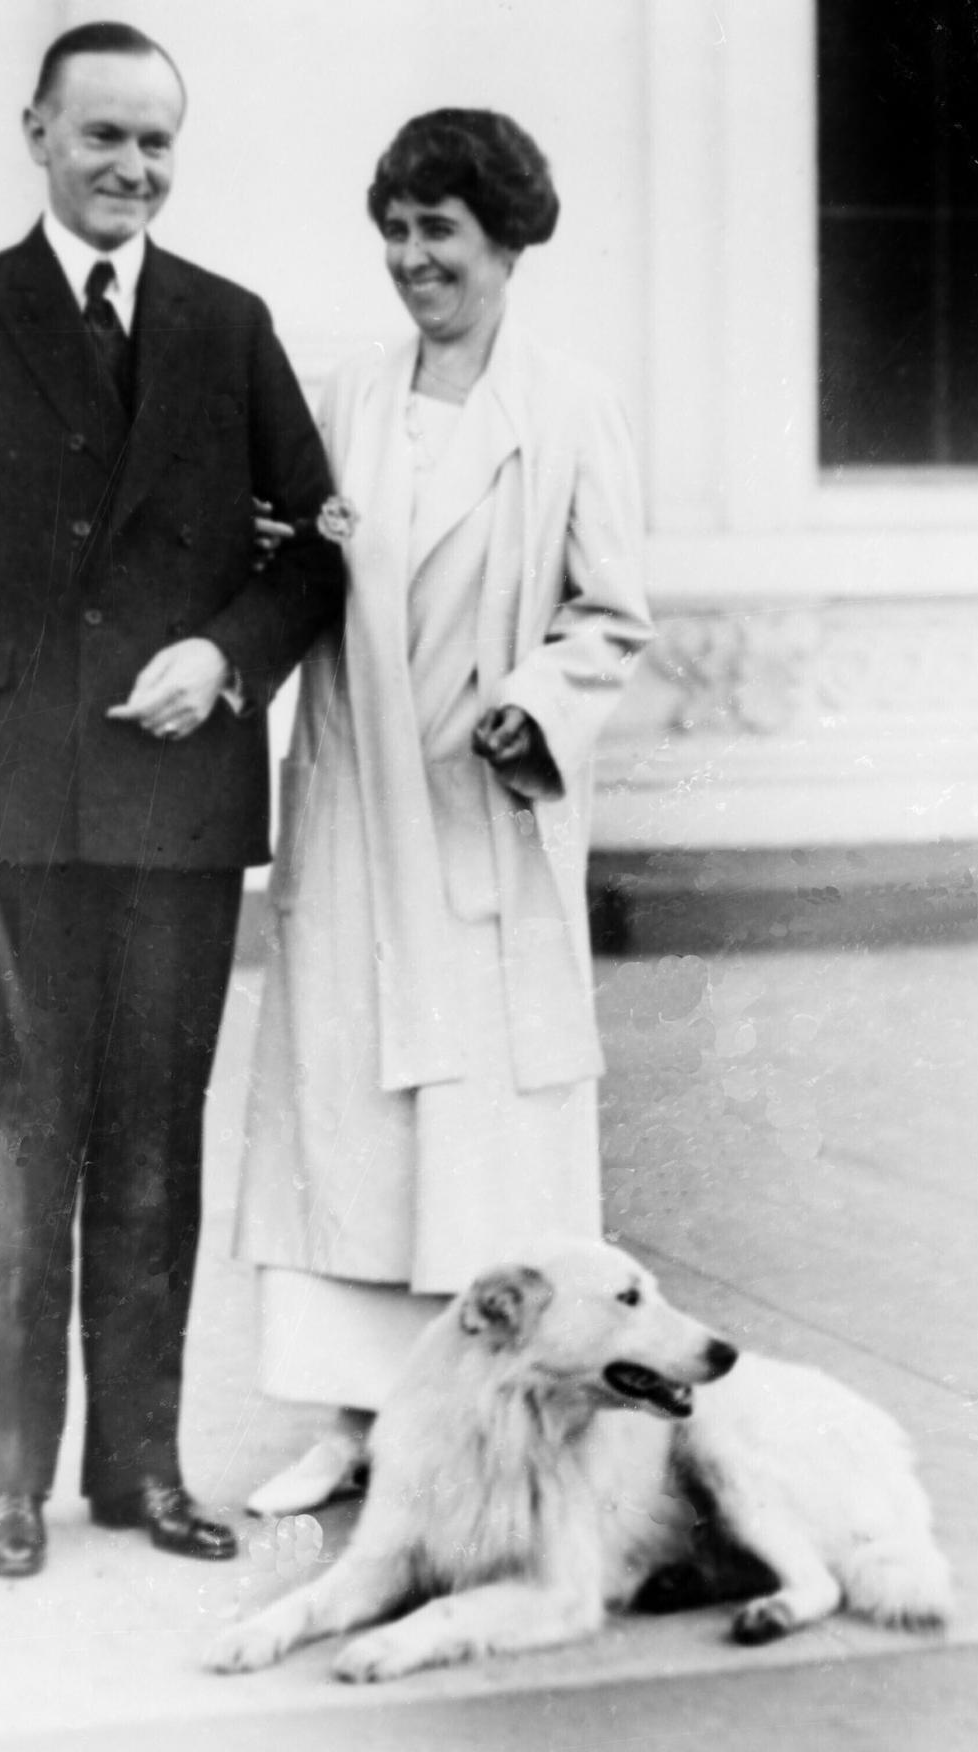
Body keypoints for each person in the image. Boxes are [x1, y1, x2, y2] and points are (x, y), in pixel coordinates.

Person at [0, 22, 344, 1577]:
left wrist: (227, 650)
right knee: (22, 1148)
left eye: (155, 142)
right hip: (10, 818)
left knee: (152, 1150)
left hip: (179, 810)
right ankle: (7, 1484)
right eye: (103, 138)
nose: (131, 168)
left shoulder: (227, 322)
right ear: (36, 133)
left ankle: (138, 1468)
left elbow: (317, 544)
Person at [233, 109, 654, 1516]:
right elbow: (286, 564)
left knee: (481, 1140)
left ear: (506, 243)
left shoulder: (567, 406)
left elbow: (611, 615)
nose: (414, 260)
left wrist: (533, 701)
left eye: (441, 234)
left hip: (479, 816)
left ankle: (501, 1427)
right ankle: (352, 1426)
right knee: (348, 1130)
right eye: (396, 231)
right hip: (359, 811)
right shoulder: (342, 394)